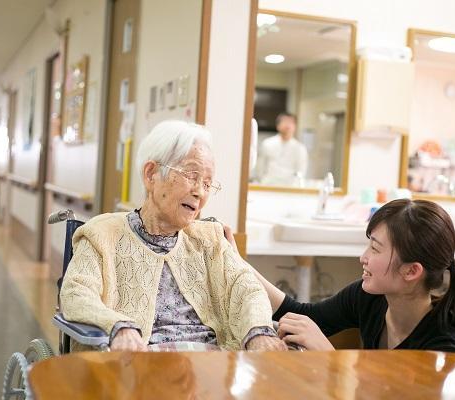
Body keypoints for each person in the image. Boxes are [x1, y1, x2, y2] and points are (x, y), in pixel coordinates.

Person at [60, 120, 286, 352]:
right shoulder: (102, 234)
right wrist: (118, 326)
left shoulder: (210, 239)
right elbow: (76, 293)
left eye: (208, 184)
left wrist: (258, 332)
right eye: (191, 175)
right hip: (139, 366)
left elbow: (247, 289)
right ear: (151, 175)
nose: (200, 192)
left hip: (213, 367)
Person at [248, 199, 455, 355]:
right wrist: (235, 261)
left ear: (412, 271)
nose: (363, 257)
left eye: (375, 248)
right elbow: (304, 315)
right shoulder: (370, 298)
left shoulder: (445, 350)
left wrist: (328, 355)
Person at [255, 112, 308, 186]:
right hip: (268, 185)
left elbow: (301, 171)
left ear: (295, 126)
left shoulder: (300, 148)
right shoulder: (267, 144)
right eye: (285, 121)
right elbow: (260, 167)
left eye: (291, 122)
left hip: (290, 187)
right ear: (278, 125)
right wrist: (262, 181)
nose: (288, 125)